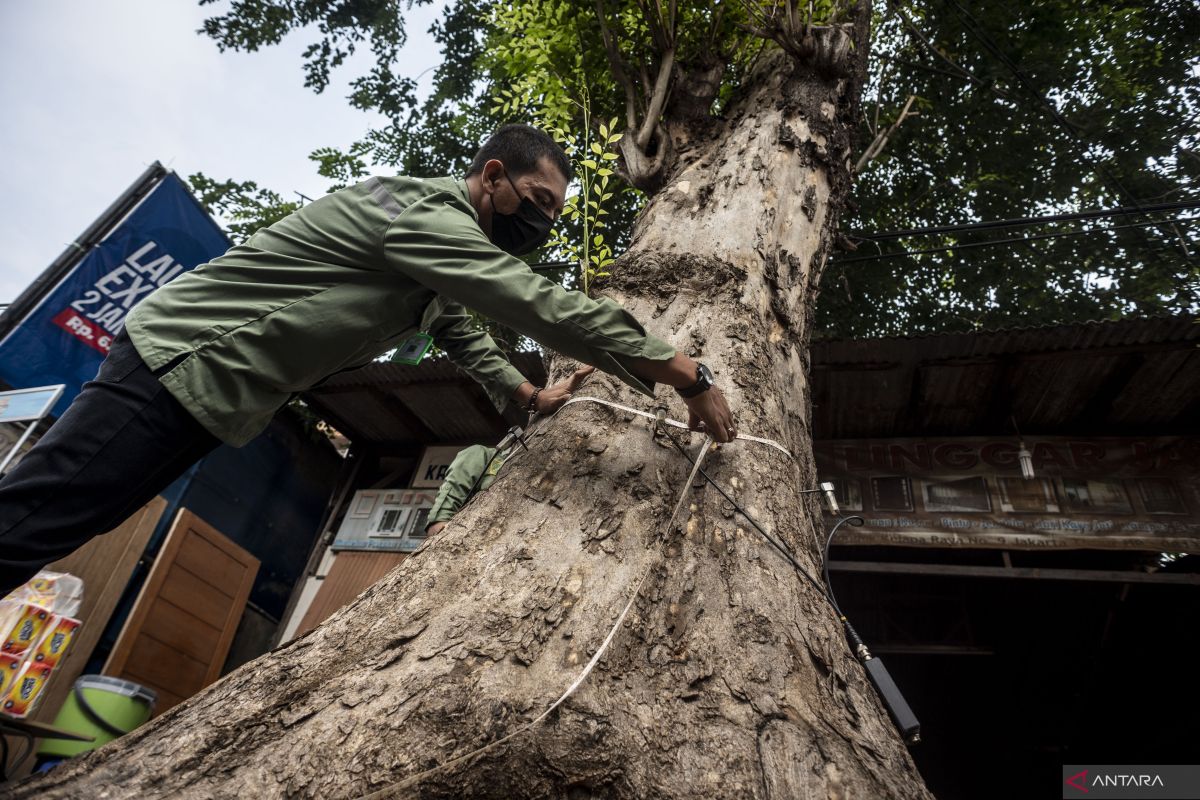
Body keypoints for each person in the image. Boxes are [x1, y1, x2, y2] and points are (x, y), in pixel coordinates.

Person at [0, 124, 736, 593]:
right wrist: (682, 373)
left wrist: (523, 392)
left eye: (554, 209)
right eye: (536, 197)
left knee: (69, 520)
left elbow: (456, 325)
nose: (543, 219)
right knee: (38, 515)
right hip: (185, 363)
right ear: (490, 176)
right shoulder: (428, 217)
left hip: (215, 392)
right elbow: (531, 302)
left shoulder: (436, 257)